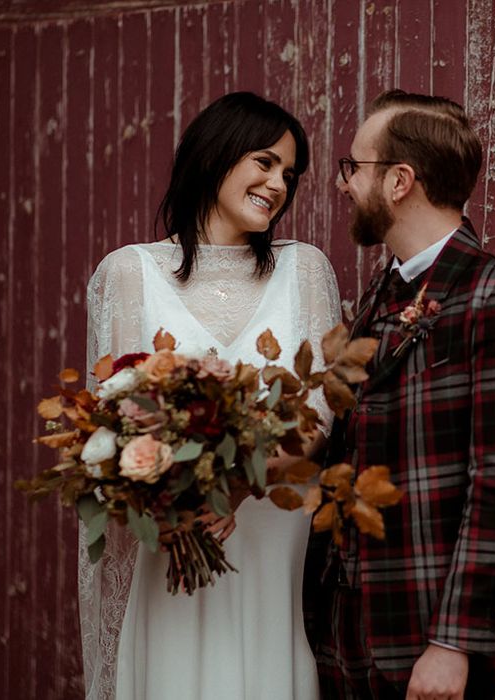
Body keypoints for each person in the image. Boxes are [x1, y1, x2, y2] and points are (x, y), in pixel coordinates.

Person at [80, 91, 341, 700]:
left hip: (269, 539)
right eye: (265, 162)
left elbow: (320, 423)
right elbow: (111, 428)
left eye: (290, 174)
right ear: (215, 156)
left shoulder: (304, 269)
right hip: (173, 544)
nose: (278, 184)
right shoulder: (128, 272)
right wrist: (172, 508)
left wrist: (238, 485)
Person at [303, 90, 495, 699]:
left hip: (427, 638)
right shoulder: (378, 294)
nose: (343, 184)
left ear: (399, 181)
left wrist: (452, 645)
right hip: (342, 629)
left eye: (353, 168)